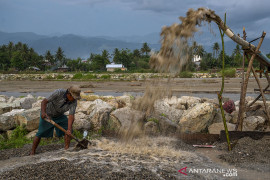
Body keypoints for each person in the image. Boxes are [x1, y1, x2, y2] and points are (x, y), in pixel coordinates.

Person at [30, 85, 81, 155]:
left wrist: (69, 129)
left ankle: (66, 149)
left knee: (68, 131)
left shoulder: (74, 102)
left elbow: (71, 115)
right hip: (48, 114)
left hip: (59, 115)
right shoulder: (58, 92)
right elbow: (44, 102)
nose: (75, 99)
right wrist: (43, 112)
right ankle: (32, 151)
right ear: (69, 94)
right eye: (74, 97)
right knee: (40, 133)